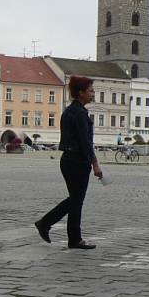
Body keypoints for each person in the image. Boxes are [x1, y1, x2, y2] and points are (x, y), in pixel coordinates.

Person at [34, 75, 103, 250]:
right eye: (91, 90)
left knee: (76, 200)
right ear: (81, 93)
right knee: (76, 200)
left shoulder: (69, 111)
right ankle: (46, 223)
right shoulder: (79, 114)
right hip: (78, 160)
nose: (93, 93)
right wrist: (95, 163)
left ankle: (74, 238)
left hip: (68, 159)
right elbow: (85, 141)